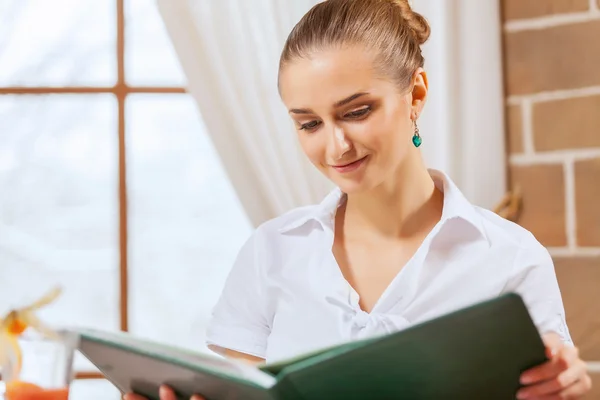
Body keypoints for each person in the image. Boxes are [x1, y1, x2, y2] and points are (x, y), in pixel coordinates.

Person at [125, 0, 592, 399]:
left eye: (357, 112)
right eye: (309, 124)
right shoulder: (272, 252)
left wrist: (561, 385)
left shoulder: (509, 257)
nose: (335, 148)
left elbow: (548, 380)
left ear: (416, 93)